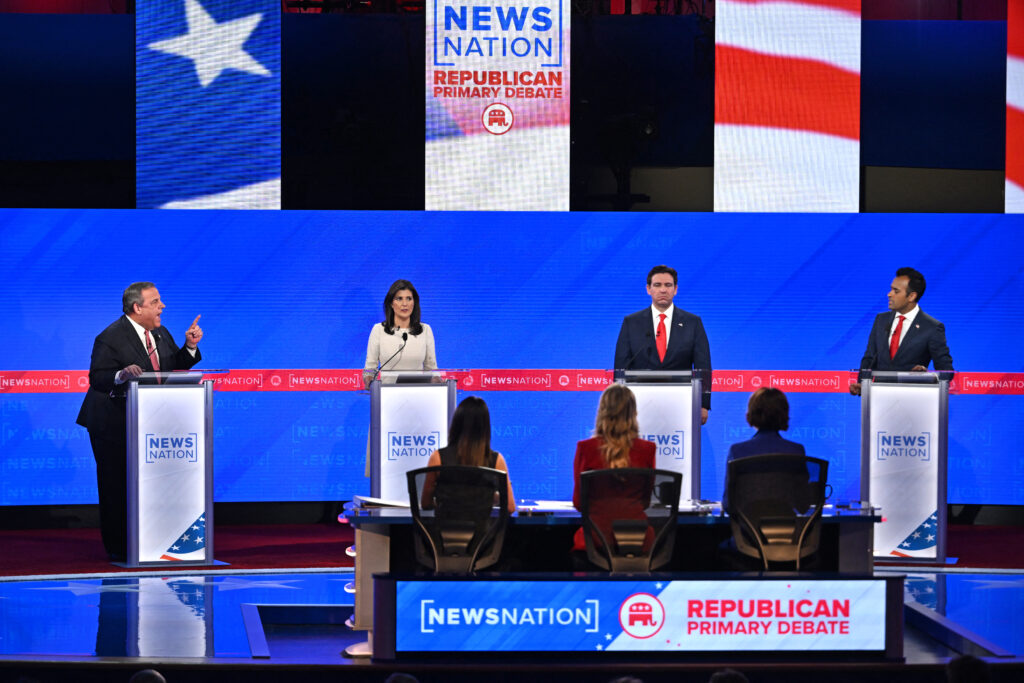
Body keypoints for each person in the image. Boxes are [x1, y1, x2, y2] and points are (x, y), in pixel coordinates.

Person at [76, 282, 203, 562]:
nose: (163, 306)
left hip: (151, 421)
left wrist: (190, 348)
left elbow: (173, 367)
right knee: (116, 485)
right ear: (138, 307)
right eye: (156, 301)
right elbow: (97, 378)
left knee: (150, 485)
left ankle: (151, 542)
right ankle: (119, 549)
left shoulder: (160, 332)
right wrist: (121, 374)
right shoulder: (110, 337)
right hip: (111, 422)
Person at [613, 264, 712, 424]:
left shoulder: (693, 322)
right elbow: (621, 366)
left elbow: (703, 366)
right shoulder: (631, 323)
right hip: (640, 404)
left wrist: (703, 404)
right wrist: (619, 404)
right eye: (657, 285)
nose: (663, 290)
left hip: (682, 403)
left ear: (675, 289)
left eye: (668, 285)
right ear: (648, 289)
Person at [571, 384, 657, 554]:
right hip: (638, 540)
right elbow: (646, 501)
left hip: (595, 542)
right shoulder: (647, 449)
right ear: (633, 414)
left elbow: (579, 503)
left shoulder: (585, 448)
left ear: (602, 412)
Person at [849, 266, 954, 395]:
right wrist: (862, 384)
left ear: (911, 296)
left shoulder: (932, 327)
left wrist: (927, 377)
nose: (889, 294)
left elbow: (946, 371)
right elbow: (869, 358)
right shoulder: (881, 320)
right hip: (878, 400)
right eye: (891, 289)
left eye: (896, 291)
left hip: (914, 400)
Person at [421, 396, 516, 514]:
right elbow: (510, 507)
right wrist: (489, 499)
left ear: (456, 424)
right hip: (483, 532)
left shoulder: (438, 457)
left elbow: (425, 503)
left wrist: (445, 504)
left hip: (444, 532)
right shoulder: (496, 460)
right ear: (485, 427)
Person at [722, 387, 805, 512]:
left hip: (746, 531)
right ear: (784, 415)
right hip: (789, 530)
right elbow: (802, 505)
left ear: (750, 414)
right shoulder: (796, 451)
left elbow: (728, 505)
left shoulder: (737, 451)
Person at [363, 279, 437, 388]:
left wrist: (439, 381)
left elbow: (431, 369)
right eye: (399, 299)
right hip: (387, 396)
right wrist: (370, 381)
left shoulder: (425, 330)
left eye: (409, 299)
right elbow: (369, 370)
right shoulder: (378, 330)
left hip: (419, 395)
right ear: (391, 303)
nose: (404, 304)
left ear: (414, 303)